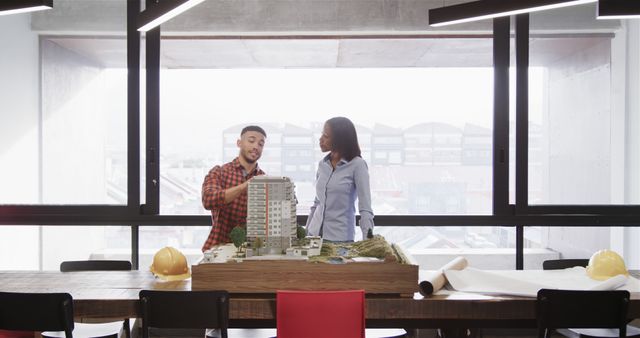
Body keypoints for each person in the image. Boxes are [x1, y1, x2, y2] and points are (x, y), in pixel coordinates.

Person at [306, 117, 374, 242]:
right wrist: (306, 235)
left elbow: (365, 209)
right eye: (322, 134)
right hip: (313, 236)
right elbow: (317, 203)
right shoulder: (322, 165)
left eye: (326, 136)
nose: (320, 139)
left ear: (339, 139)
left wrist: (368, 243)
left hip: (339, 240)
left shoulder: (358, 165)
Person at [201, 125, 266, 252]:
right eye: (251, 141)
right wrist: (245, 186)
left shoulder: (264, 180)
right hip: (218, 249)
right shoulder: (219, 172)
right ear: (239, 143)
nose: (256, 147)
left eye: (261, 144)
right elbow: (208, 200)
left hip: (252, 253)